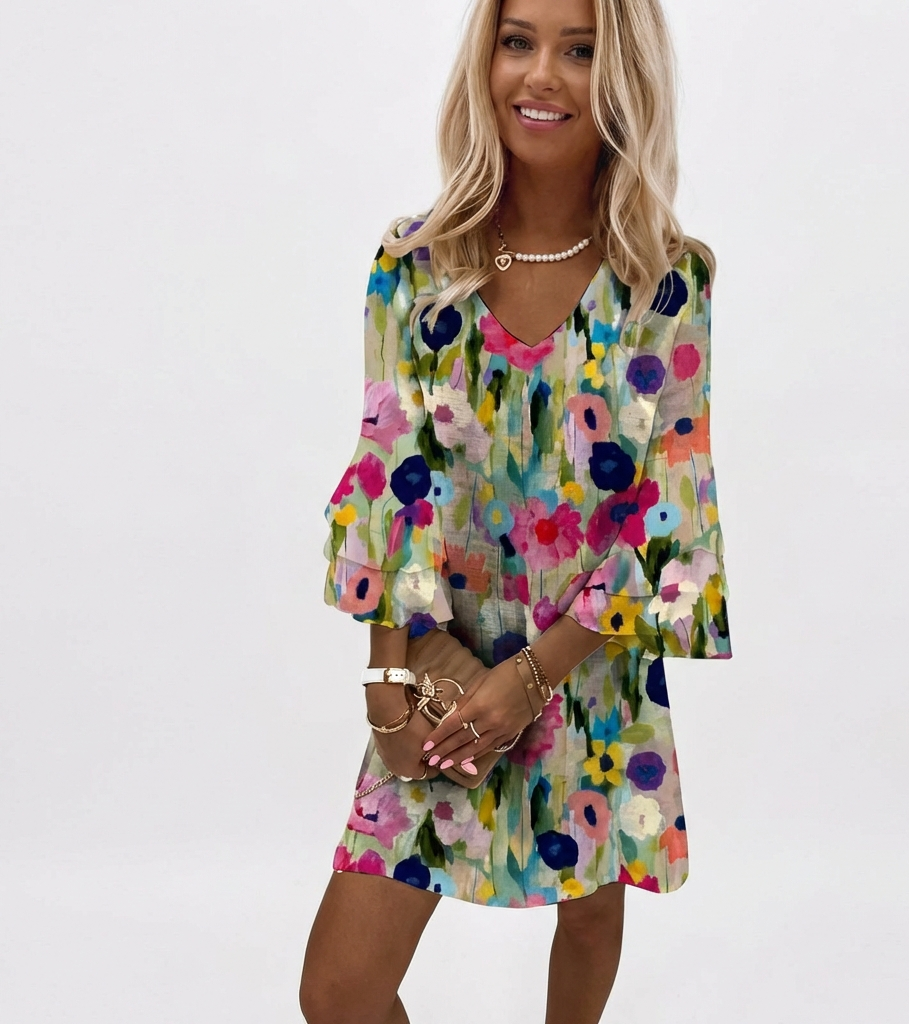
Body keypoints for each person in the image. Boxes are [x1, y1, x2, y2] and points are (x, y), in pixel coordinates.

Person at [299, 0, 731, 1021]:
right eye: (518, 40)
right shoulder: (415, 264)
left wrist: (536, 677)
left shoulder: (665, 281)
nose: (541, 74)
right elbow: (386, 473)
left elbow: (666, 513)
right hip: (440, 675)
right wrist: (390, 680)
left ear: (621, 77)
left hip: (586, 668)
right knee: (340, 993)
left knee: (587, 916)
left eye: (580, 49)